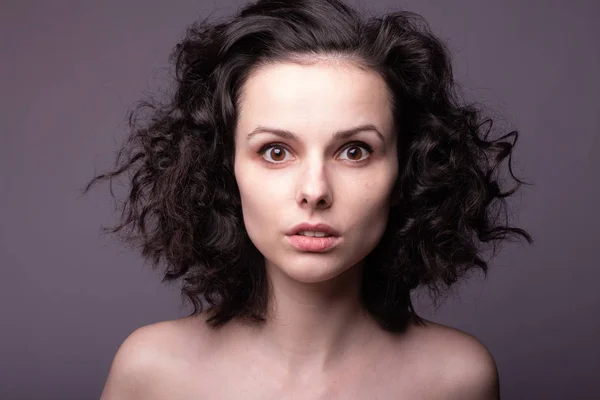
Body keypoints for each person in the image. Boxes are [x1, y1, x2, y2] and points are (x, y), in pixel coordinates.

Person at [84, 0, 532, 398]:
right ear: (224, 169)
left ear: (406, 172)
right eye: (276, 152)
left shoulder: (457, 379)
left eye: (354, 151)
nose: (315, 190)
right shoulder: (152, 372)